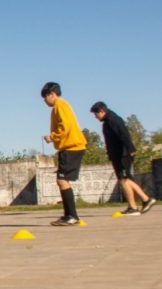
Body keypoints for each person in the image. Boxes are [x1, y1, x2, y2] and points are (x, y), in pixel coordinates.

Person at [90, 102, 156, 215]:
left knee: (124, 179)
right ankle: (135, 205)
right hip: (119, 155)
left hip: (122, 154)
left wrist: (130, 149)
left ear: (101, 111)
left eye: (96, 114)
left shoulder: (112, 119)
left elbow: (123, 134)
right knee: (125, 179)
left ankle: (143, 201)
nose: (95, 117)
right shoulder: (109, 120)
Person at [41, 82, 87, 227]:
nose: (44, 101)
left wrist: (52, 136)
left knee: (62, 180)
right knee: (62, 180)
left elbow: (65, 126)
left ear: (52, 94)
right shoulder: (61, 105)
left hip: (71, 147)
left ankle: (72, 216)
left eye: (45, 97)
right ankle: (69, 215)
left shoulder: (60, 105)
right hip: (70, 147)